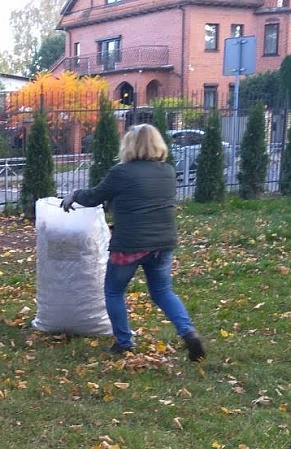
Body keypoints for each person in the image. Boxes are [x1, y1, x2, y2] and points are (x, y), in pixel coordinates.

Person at [61, 123, 206, 361]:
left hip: (129, 244)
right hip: (163, 242)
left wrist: (74, 195)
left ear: (129, 145)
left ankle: (124, 342)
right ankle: (188, 332)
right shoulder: (168, 170)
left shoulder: (121, 172)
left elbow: (94, 196)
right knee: (162, 291)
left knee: (114, 291)